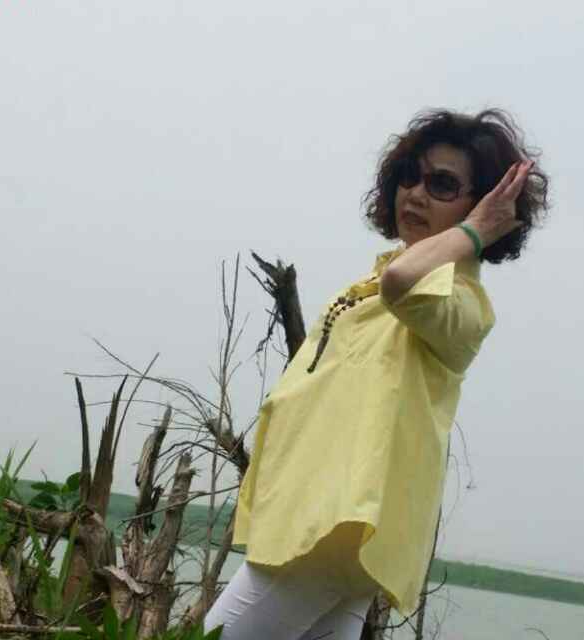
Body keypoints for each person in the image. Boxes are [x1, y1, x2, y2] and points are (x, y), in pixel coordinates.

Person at [203, 108, 550, 639]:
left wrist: (476, 231)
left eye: (441, 184)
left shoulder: (457, 301)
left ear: (480, 205)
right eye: (410, 175)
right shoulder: (375, 281)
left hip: (332, 528)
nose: (416, 193)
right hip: (319, 521)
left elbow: (403, 282)